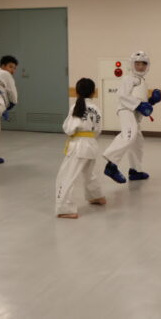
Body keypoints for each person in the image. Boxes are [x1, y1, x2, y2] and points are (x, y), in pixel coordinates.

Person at [102, 51, 161, 183]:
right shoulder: (129, 78)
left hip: (135, 113)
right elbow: (122, 95)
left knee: (137, 142)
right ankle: (111, 165)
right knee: (129, 135)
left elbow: (140, 100)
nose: (140, 67)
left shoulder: (142, 81)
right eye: (137, 64)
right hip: (126, 110)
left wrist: (151, 101)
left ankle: (135, 171)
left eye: (143, 64)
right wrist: (139, 105)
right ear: (132, 64)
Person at [55, 78, 106, 219]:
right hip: (92, 144)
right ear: (93, 92)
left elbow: (69, 128)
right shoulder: (96, 109)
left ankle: (65, 209)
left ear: (77, 92)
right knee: (89, 173)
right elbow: (98, 130)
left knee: (66, 176)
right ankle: (97, 196)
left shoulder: (76, 106)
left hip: (79, 145)